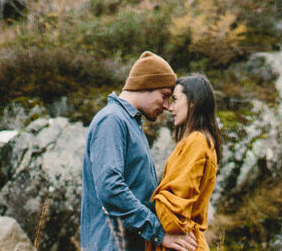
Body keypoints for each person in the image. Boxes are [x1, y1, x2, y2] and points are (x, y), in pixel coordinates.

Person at [81, 51, 198, 251]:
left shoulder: (129, 123)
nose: (167, 106)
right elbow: (110, 188)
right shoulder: (112, 120)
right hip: (110, 245)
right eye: (165, 96)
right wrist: (159, 233)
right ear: (145, 85)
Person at [150, 74, 222, 251]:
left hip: (182, 243)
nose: (170, 107)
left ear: (192, 102)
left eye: (175, 100)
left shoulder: (197, 141)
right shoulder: (198, 140)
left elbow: (175, 208)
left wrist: (140, 209)